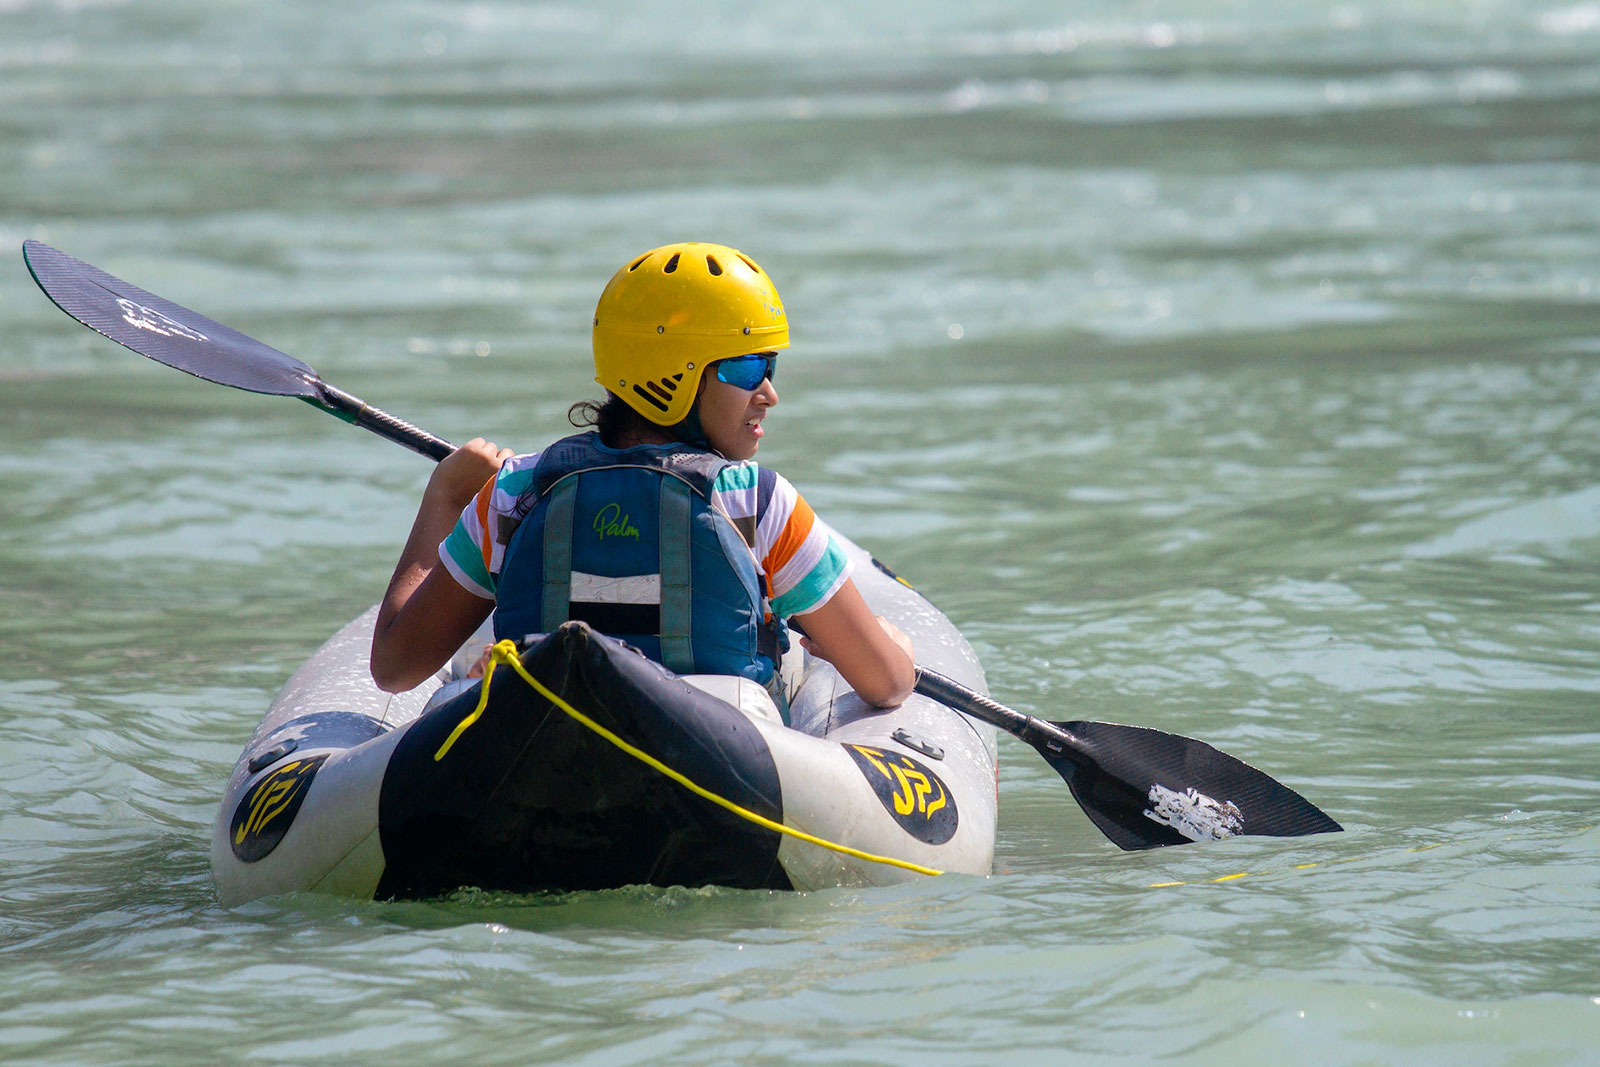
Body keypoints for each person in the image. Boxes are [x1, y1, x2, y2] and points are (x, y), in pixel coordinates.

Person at [369, 241, 915, 709]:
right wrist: (897, 647)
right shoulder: (758, 503)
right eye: (749, 368)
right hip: (716, 773)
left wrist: (445, 497)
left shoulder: (512, 494)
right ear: (676, 374)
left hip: (540, 747)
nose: (769, 393)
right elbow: (887, 682)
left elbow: (395, 667)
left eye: (770, 367)